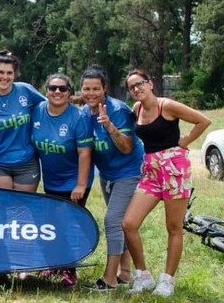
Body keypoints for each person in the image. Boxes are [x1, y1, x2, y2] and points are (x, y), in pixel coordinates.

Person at [122, 69, 211, 297]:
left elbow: (203, 120)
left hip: (174, 168)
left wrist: (185, 141)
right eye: (132, 87)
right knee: (129, 224)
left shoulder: (167, 106)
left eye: (140, 83)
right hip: (151, 170)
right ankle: (143, 276)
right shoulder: (137, 109)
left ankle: (167, 280)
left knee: (173, 227)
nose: (137, 89)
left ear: (150, 83)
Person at [78, 65, 144, 291]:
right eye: (86, 89)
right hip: (106, 175)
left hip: (129, 172)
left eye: (96, 89)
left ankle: (109, 279)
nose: (91, 93)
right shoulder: (84, 113)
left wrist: (109, 126)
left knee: (112, 221)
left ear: (105, 89)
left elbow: (126, 148)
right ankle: (125, 273)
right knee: (121, 224)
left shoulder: (118, 110)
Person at [31, 73, 94, 287]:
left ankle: (69, 269)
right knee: (52, 224)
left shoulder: (78, 117)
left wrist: (80, 185)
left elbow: (85, 153)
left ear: (69, 93)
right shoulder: (37, 111)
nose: (57, 92)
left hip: (74, 181)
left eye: (62, 89)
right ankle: (53, 264)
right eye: (53, 88)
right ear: (46, 90)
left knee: (68, 224)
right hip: (52, 180)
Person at [0, 50, 45, 191]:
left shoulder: (25, 90)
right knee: (3, 203)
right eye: (0, 72)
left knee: (22, 204)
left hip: (27, 162)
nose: (5, 77)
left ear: (15, 74)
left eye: (9, 73)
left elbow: (48, 108)